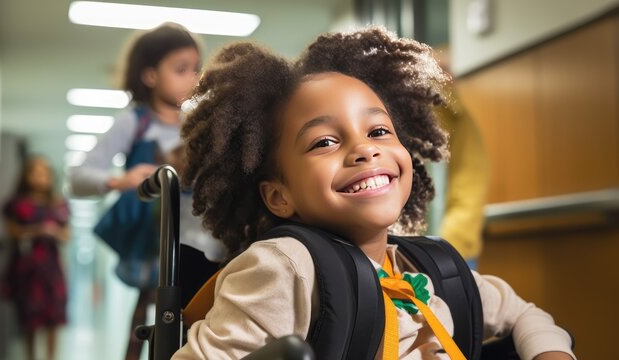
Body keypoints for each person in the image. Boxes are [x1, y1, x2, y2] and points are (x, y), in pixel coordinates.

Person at [171, 27, 575, 359]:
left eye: (379, 131)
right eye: (324, 142)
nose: (365, 148)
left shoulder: (428, 267)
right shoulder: (284, 268)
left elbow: (525, 315)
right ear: (279, 196)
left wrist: (550, 353)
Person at [68, 22, 222, 360]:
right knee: (147, 316)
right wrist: (118, 180)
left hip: (198, 239)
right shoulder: (134, 121)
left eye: (195, 69)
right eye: (180, 69)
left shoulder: (199, 124)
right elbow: (78, 177)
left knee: (194, 317)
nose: (192, 78)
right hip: (155, 238)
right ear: (150, 75)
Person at [1, 156, 69, 360]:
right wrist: (37, 230)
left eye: (44, 172)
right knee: (30, 315)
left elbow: (66, 235)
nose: (40, 177)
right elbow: (12, 231)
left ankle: (51, 357)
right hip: (27, 266)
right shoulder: (17, 204)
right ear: (26, 176)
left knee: (53, 315)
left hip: (52, 266)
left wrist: (53, 233)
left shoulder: (58, 203)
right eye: (35, 172)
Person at [430, 45, 489, 268]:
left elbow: (470, 189)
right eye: (440, 68)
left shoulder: (459, 120)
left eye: (448, 69)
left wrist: (447, 246)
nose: (447, 76)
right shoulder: (397, 116)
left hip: (451, 249)